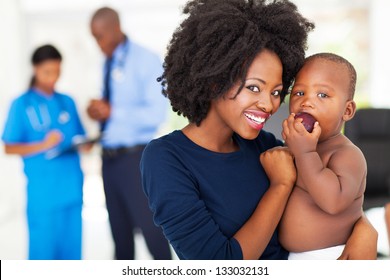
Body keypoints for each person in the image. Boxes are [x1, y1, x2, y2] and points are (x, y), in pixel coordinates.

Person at [140, 0, 377, 260]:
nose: (269, 105)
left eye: (276, 92)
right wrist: (280, 184)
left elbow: (330, 202)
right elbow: (220, 267)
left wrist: (365, 231)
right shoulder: (165, 158)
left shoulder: (266, 146)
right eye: (254, 87)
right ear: (213, 81)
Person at [87, 7, 171, 260]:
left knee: (152, 233)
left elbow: (157, 114)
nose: (98, 44)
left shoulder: (146, 59)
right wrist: (98, 112)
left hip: (136, 160)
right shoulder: (108, 62)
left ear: (115, 28)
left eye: (100, 36)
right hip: (109, 160)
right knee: (120, 238)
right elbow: (112, 109)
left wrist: (114, 111)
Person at [278, 53, 367, 260]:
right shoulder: (295, 147)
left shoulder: (347, 155)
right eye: (299, 92)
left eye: (323, 95)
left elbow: (334, 202)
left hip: (332, 256)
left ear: (347, 110)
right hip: (290, 257)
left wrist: (305, 153)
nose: (306, 102)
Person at [1, 44, 86, 260]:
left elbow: (81, 137)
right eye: (47, 72)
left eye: (57, 72)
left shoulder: (67, 101)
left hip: (72, 190)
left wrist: (87, 143)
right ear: (35, 69)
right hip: (43, 196)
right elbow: (9, 147)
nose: (53, 78)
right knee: (43, 257)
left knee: (72, 256)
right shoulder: (21, 104)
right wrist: (43, 145)